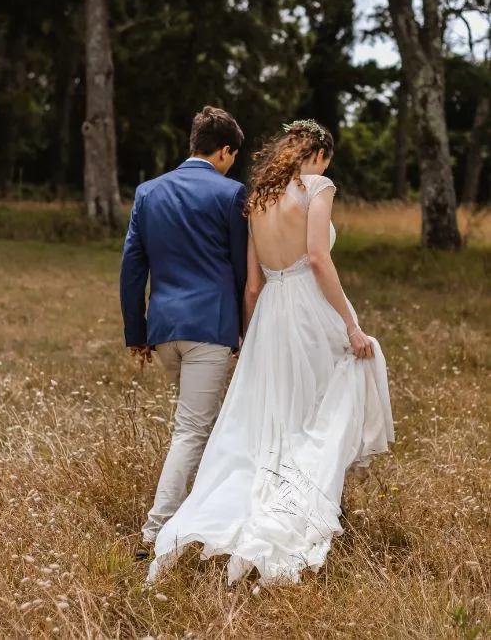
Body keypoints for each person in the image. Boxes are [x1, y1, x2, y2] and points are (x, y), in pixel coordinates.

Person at [147, 119, 394, 585]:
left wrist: (248, 337)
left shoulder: (257, 198)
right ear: (318, 154)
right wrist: (350, 322)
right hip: (307, 309)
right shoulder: (318, 186)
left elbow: (253, 286)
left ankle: (261, 499)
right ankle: (306, 503)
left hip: (269, 317)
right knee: (326, 399)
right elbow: (319, 258)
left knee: (272, 420)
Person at [120, 106, 248, 558]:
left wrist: (136, 333)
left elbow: (133, 268)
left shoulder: (148, 192)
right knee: (192, 431)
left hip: (163, 331)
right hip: (210, 330)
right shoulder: (231, 194)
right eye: (234, 154)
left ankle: (211, 516)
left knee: (202, 425)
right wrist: (245, 331)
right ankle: (155, 534)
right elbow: (240, 271)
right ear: (225, 150)